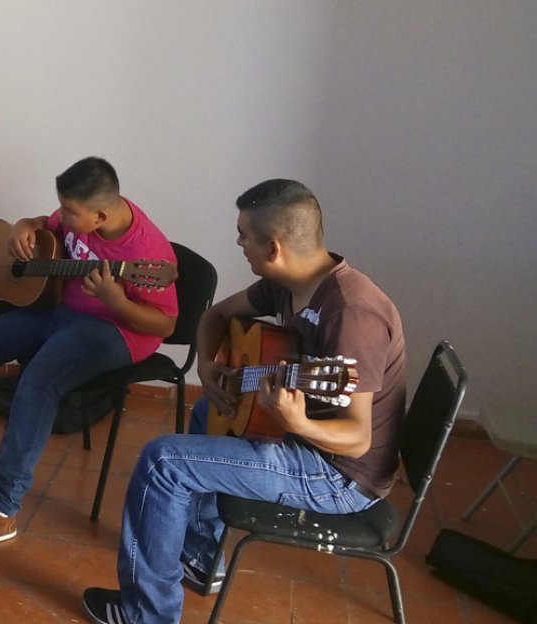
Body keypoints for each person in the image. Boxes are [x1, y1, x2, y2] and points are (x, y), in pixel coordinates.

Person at [81, 179, 407, 624]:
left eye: (243, 235)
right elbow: (215, 316)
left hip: (340, 477)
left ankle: (146, 616)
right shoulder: (290, 281)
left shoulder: (352, 315)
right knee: (207, 409)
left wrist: (297, 422)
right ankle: (199, 556)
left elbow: (356, 438)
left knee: (162, 462)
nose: (238, 242)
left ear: (272, 248)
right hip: (305, 442)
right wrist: (209, 370)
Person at [0, 157, 178, 546]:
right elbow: (48, 223)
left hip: (116, 331)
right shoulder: (80, 215)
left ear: (99, 216)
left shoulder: (148, 252)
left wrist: (116, 301)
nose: (61, 215)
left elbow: (165, 324)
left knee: (39, 379)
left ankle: (1, 508)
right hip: (63, 312)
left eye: (69, 211)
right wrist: (26, 225)